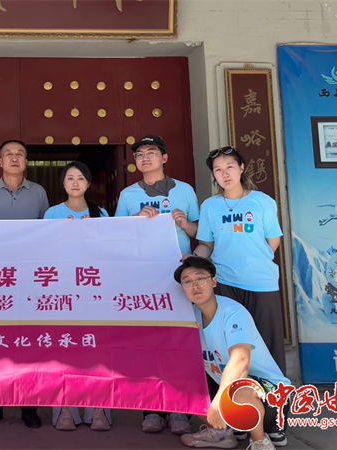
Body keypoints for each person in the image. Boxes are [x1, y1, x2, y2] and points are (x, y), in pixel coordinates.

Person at [114, 135, 199, 435]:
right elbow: (117, 236)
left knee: (179, 340)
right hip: (145, 277)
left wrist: (185, 224)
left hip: (179, 276)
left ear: (164, 158)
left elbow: (200, 231)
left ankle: (180, 410)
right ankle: (151, 408)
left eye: (151, 152)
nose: (145, 157)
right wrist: (135, 220)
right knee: (149, 341)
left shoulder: (185, 191)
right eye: (139, 154)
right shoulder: (128, 195)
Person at [174, 256, 291, 450]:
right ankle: (222, 433)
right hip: (231, 394)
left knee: (237, 390)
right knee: (181, 385)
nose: (195, 285)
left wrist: (219, 402)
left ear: (214, 281)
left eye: (201, 278)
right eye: (187, 282)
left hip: (273, 396)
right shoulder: (190, 317)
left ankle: (260, 441)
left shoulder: (233, 312)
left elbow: (241, 360)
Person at [190, 146, 287, 378]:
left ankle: (275, 396)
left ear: (241, 168)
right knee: (228, 344)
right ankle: (236, 394)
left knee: (266, 344)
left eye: (230, 167)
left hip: (261, 283)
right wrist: (194, 260)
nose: (225, 174)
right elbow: (206, 245)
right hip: (225, 283)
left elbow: (273, 241)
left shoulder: (262, 201)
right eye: (218, 170)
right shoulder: (209, 206)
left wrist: (253, 261)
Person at [0, 139, 48, 429]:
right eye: (9, 154)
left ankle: (28, 407)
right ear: (0, 161)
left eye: (20, 154)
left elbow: (47, 232)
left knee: (27, 341)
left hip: (29, 278)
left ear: (26, 161)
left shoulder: (39, 192)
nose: (14, 158)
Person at [43, 161, 111, 431]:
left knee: (97, 348)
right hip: (61, 288)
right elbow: (44, 250)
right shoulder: (52, 213)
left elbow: (108, 250)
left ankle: (99, 408)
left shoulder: (100, 213)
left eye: (80, 178)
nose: (74, 183)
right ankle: (64, 408)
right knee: (64, 347)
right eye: (69, 178)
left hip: (92, 288)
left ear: (88, 183)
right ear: (63, 183)